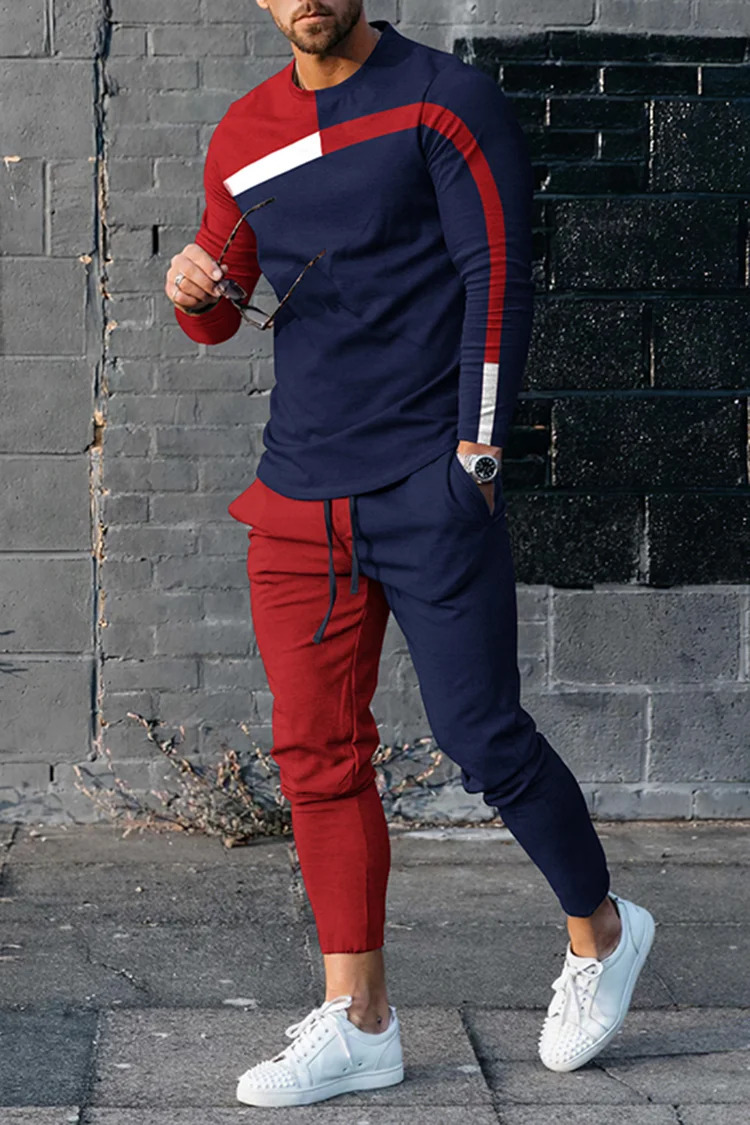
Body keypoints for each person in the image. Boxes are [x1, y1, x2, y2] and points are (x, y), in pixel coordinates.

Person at [165, 1, 655, 1108]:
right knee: (316, 753)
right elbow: (227, 302)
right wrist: (194, 290)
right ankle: (361, 1022)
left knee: (483, 737)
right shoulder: (245, 131)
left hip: (427, 484)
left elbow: (498, 275)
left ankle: (602, 929)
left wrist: (476, 460)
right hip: (299, 495)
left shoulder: (445, 98)